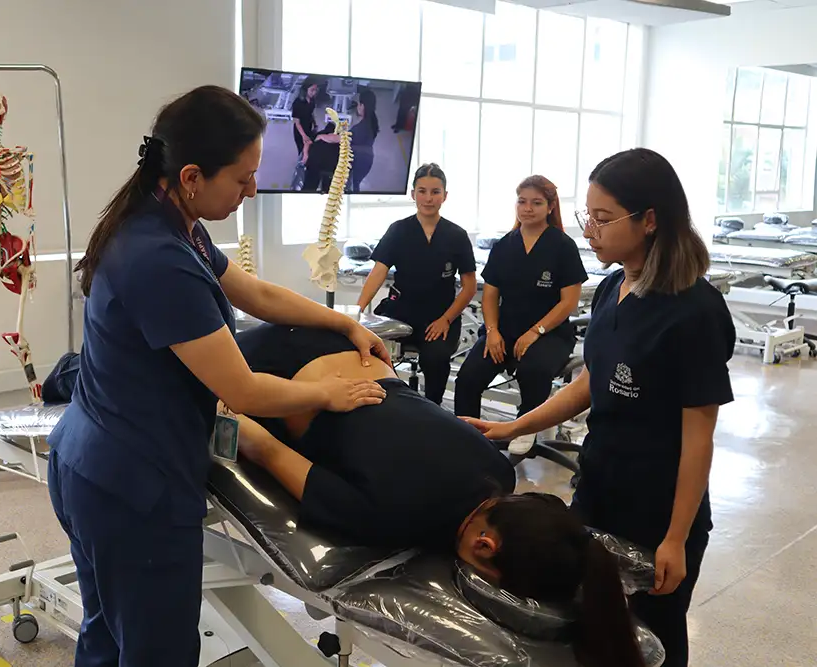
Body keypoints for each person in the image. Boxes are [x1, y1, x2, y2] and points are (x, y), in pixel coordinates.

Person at [45, 85, 391, 667]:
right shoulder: (158, 258)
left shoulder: (175, 223)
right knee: (155, 653)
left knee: (108, 636)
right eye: (242, 178)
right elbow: (242, 389)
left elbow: (255, 292)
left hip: (94, 466)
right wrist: (326, 394)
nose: (252, 190)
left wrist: (343, 322)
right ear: (191, 176)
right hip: (132, 489)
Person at [230, 322, 647, 667]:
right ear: (485, 545)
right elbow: (264, 448)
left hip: (350, 348)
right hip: (267, 366)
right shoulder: (383, 519)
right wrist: (215, 403)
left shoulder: (500, 470)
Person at [463, 148, 735, 667]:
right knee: (595, 622)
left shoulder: (694, 311)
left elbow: (699, 438)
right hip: (598, 489)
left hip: (658, 510)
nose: (590, 230)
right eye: (588, 215)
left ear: (649, 220)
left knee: (656, 636)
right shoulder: (613, 288)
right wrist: (514, 428)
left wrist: (675, 539)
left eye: (603, 219)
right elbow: (591, 382)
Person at [454, 175, 588, 454]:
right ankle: (467, 438)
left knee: (533, 371)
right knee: (468, 378)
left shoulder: (562, 246)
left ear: (550, 207)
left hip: (550, 334)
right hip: (503, 331)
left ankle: (523, 430)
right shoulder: (505, 245)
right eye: (522, 201)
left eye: (536, 203)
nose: (527, 208)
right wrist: (492, 332)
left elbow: (568, 303)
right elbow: (490, 295)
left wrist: (535, 332)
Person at [356, 163, 478, 405]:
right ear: (413, 194)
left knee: (436, 358)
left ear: (445, 195)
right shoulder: (398, 230)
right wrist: (356, 312)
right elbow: (378, 273)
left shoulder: (457, 235)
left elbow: (469, 286)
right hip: (401, 312)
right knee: (369, 350)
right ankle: (388, 406)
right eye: (422, 191)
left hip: (440, 316)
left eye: (435, 192)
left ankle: (432, 410)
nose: (428, 198)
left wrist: (446, 320)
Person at [291, 76, 321, 158]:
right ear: (305, 89)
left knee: (309, 148)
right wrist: (304, 136)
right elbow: (297, 123)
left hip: (309, 126)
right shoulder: (298, 103)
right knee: (302, 150)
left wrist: (315, 124)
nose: (314, 92)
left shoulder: (312, 100)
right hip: (300, 131)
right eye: (312, 90)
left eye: (315, 90)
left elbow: (311, 113)